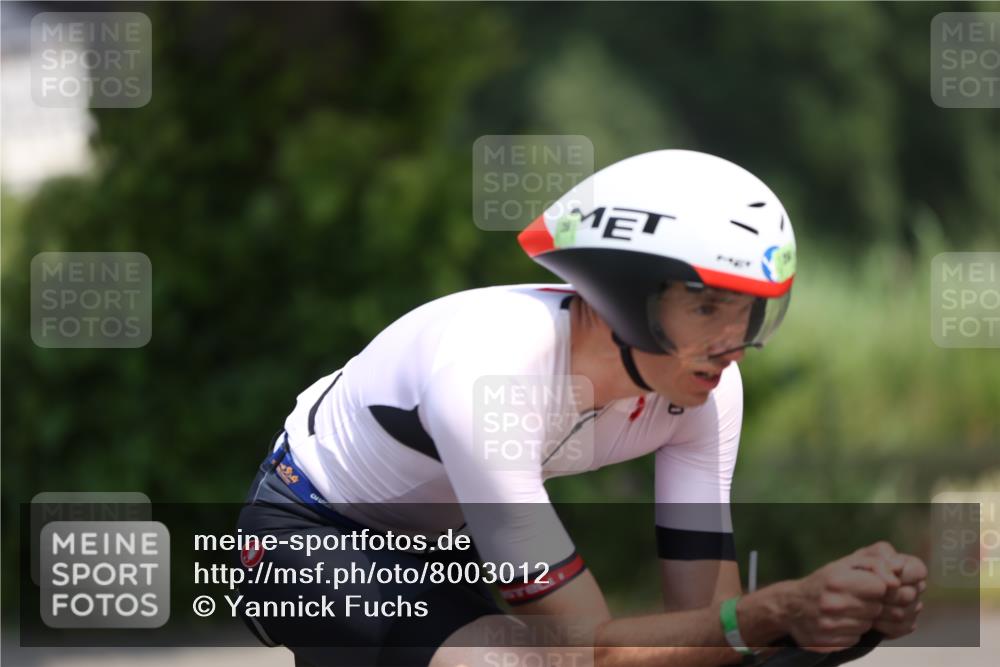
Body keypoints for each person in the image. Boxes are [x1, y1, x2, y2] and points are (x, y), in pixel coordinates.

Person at [235, 150, 926, 667]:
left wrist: (830, 620)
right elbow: (588, 649)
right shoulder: (491, 375)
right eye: (707, 304)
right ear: (625, 294)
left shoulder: (706, 386)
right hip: (309, 532)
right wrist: (779, 609)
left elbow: (706, 627)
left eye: (752, 313)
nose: (732, 343)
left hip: (439, 543)